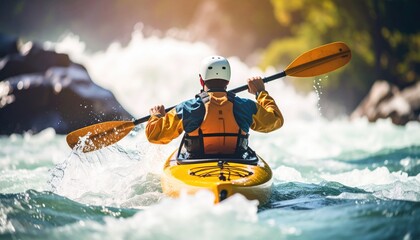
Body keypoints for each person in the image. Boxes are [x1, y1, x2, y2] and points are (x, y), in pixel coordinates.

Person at [145, 56, 283, 159]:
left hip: (197, 164)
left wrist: (156, 117)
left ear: (201, 80)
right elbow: (275, 120)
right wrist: (260, 92)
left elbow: (154, 136)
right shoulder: (245, 106)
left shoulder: (187, 108)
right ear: (228, 81)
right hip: (237, 162)